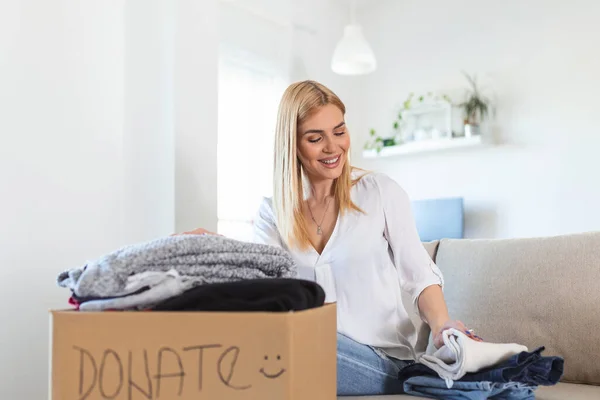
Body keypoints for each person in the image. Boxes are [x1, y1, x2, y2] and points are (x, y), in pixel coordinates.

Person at [184, 80, 469, 396]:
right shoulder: (273, 213)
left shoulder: (380, 193)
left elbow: (419, 276)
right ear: (292, 144)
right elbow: (260, 281)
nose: (333, 147)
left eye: (339, 131)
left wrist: (442, 326)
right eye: (315, 138)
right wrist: (214, 249)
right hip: (303, 351)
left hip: (382, 362)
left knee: (290, 341)